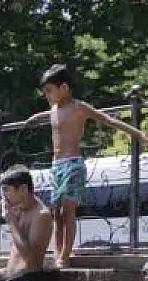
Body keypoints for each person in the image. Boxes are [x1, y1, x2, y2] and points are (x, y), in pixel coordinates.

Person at [25, 64, 148, 268]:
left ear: (63, 88)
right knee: (56, 212)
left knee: (67, 210)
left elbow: (107, 120)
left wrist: (137, 134)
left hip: (73, 164)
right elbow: (49, 116)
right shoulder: (54, 109)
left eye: (49, 91)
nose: (46, 95)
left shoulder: (79, 107)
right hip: (56, 166)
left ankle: (65, 255)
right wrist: (35, 118)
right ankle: (57, 252)